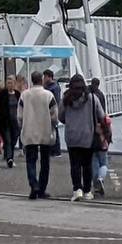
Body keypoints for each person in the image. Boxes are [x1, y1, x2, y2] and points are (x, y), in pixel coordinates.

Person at [57, 77, 104, 201]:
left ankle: (77, 189)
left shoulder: (66, 99)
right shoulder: (93, 98)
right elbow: (101, 116)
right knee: (87, 164)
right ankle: (87, 190)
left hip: (72, 136)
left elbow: (61, 117)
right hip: (88, 135)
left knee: (75, 164)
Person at [18, 70, 59, 201]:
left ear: (31, 80)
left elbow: (19, 116)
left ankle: (33, 185)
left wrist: (22, 126)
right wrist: (53, 125)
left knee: (30, 160)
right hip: (45, 130)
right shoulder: (48, 95)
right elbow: (54, 114)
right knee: (45, 161)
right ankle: (42, 188)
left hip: (29, 131)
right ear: (41, 79)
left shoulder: (24, 95)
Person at [85, 77, 114, 195]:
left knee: (94, 161)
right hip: (102, 133)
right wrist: (109, 136)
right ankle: (101, 178)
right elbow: (104, 116)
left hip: (91, 134)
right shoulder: (100, 95)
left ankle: (96, 183)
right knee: (103, 161)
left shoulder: (88, 97)